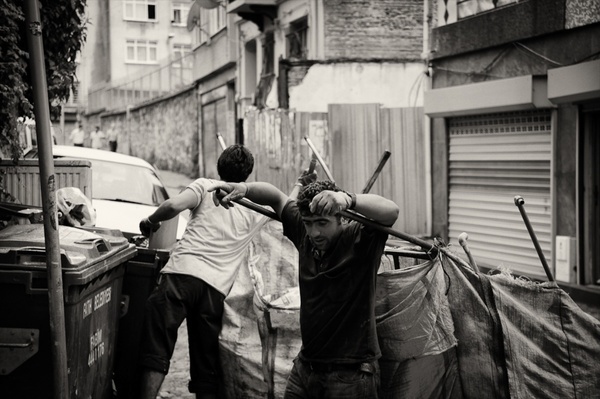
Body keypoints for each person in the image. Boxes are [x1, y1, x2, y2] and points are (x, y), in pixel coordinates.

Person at [137, 144, 311, 399]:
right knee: (206, 362)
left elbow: (173, 206)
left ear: (219, 166)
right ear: (248, 174)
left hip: (180, 277)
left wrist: (150, 221)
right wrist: (298, 184)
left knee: (156, 346)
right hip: (214, 291)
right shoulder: (254, 207)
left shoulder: (206, 186)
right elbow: (284, 203)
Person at [209, 179, 399, 399]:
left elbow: (391, 212)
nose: (315, 232)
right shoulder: (305, 234)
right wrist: (244, 189)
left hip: (351, 374)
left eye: (322, 223)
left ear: (341, 218)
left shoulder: (360, 240)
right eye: (309, 223)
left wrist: (348, 199)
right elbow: (276, 197)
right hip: (306, 367)